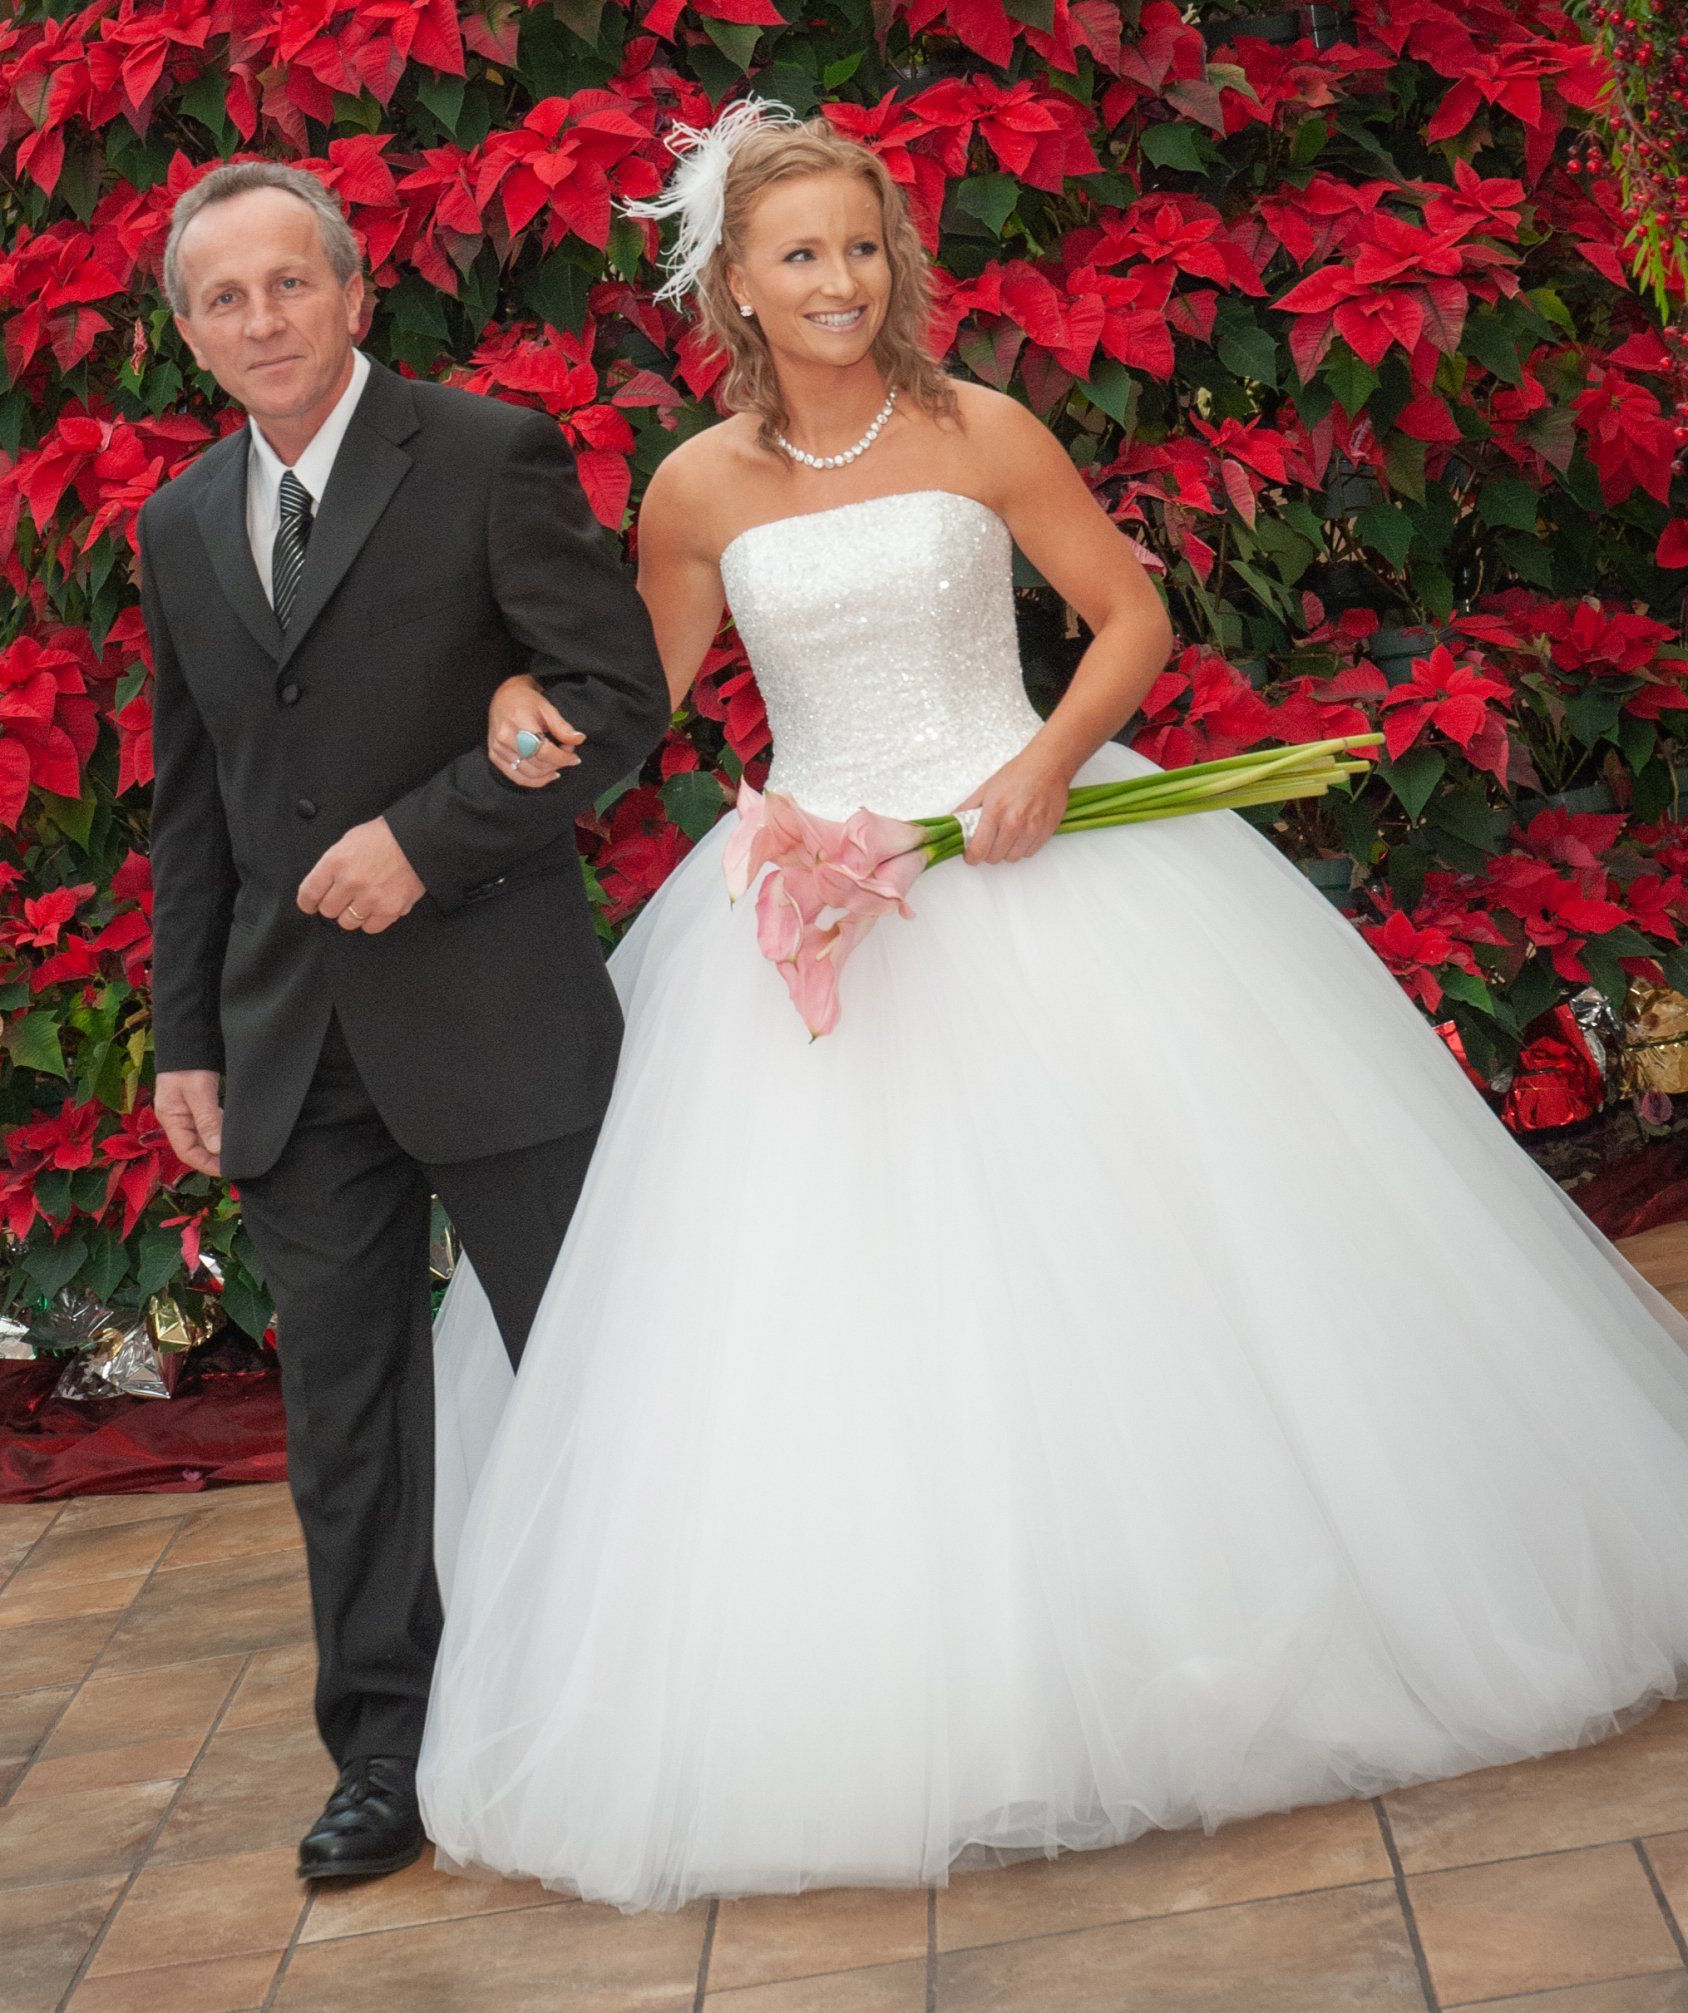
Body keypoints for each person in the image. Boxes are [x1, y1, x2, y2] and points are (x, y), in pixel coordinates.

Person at [416, 102, 1688, 1912]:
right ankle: (936, 1689)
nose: (841, 279)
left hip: (1039, 859)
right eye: (801, 254)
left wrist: (1044, 762)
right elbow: (637, 693)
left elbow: (1129, 614)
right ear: (735, 287)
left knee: (1152, 1257)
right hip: (827, 905)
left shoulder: (978, 427)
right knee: (851, 1309)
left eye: (863, 245)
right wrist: (518, 714)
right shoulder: (695, 488)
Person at [137, 161, 667, 1886]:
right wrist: (186, 1036)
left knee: (584, 1370)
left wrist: (425, 840)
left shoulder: (488, 454)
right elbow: (195, 803)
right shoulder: (179, 524)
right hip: (292, 1043)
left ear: (356, 293)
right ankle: (385, 1750)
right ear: (189, 333)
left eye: (290, 282)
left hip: (496, 1009)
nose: (262, 320)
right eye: (225, 298)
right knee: (345, 1423)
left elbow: (613, 696)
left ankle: (637, 1697)